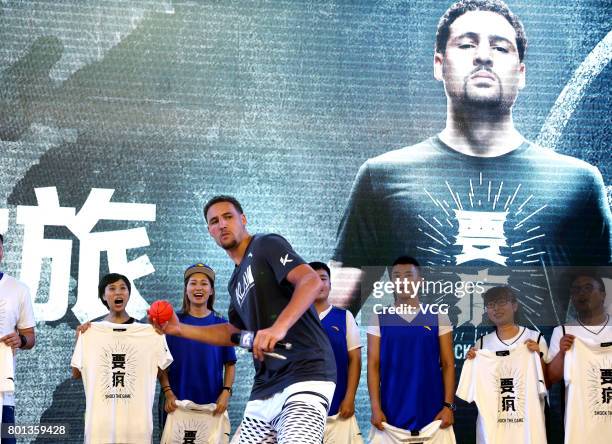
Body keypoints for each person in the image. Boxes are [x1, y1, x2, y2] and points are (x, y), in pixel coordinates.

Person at [330, 0, 612, 327]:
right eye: (466, 44)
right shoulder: (382, 177)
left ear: (521, 73)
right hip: (421, 379)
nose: (483, 55)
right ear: (439, 64)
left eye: (500, 47)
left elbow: (605, 318)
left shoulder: (578, 183)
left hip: (531, 376)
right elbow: (329, 315)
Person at [153, 195, 336, 444]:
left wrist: (278, 328)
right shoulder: (234, 282)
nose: (222, 225)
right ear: (210, 231)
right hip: (265, 387)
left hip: (306, 373)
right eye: (214, 221)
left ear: (243, 219)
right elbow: (233, 334)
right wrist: (178, 328)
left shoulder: (266, 245)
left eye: (228, 217)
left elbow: (310, 281)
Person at [71, 273, 173, 443]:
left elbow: (163, 369)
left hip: (136, 427)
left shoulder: (148, 333)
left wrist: (159, 338)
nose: (118, 292)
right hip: (100, 427)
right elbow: (76, 373)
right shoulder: (90, 332)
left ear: (129, 294)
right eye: (112, 288)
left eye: (122, 288)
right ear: (103, 296)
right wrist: (79, 340)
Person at [367, 256, 456, 441]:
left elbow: (448, 364)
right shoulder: (379, 317)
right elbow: (373, 365)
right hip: (390, 416)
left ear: (420, 282)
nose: (402, 281)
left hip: (433, 416)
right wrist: (375, 407)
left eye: (408, 275)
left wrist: (448, 406)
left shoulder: (438, 316)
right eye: (397, 276)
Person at [461, 286, 548, 443]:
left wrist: (538, 357)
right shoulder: (481, 344)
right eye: (491, 305)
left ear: (514, 305)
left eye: (501, 302)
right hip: (492, 434)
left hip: (527, 433)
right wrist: (472, 361)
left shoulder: (535, 338)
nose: (496, 309)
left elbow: (546, 383)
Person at [157, 263, 236, 430]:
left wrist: (226, 392)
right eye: (193, 283)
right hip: (176, 404)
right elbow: (160, 363)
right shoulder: (172, 323)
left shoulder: (221, 324)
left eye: (204, 283)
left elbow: (230, 363)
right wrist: (168, 392)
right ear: (186, 289)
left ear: (212, 290)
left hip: (211, 405)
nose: (198, 288)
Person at [546, 271, 612, 443]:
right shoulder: (562, 331)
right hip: (582, 427)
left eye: (588, 288)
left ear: (603, 295)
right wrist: (562, 353)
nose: (581, 293)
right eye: (576, 290)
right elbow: (552, 377)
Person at [309, 261, 362, 442]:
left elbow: (355, 360)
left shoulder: (344, 317)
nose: (319, 284)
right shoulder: (295, 320)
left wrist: (349, 398)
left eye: (323, 279)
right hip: (304, 413)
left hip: (339, 411)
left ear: (330, 285)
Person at [0, 233, 36, 443]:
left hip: (3, 392)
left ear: (2, 252)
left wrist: (20, 340)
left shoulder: (18, 289)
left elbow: (30, 337)